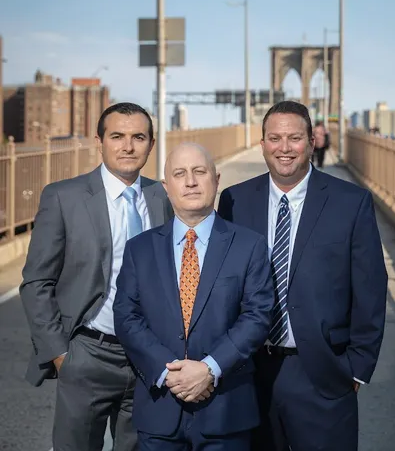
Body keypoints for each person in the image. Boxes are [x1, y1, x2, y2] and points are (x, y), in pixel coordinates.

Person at [218, 101, 387, 451]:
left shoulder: (350, 202)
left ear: (312, 142)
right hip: (250, 374)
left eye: (294, 138)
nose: (284, 148)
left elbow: (370, 288)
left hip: (323, 374)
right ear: (262, 143)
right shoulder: (234, 200)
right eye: (275, 138)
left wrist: (356, 367)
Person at [20, 102, 174, 451]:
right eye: (117, 136)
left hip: (147, 357)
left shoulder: (162, 197)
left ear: (151, 144)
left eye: (138, 137)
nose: (128, 146)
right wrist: (61, 355)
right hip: (88, 353)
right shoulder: (64, 197)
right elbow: (36, 282)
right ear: (99, 142)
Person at [113, 143, 274, 451]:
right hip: (160, 408)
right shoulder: (140, 249)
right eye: (180, 174)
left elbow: (257, 316)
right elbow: (127, 317)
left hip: (226, 410)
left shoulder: (249, 245)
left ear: (216, 179)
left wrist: (209, 369)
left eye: (199, 172)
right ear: (166, 186)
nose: (190, 181)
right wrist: (169, 372)